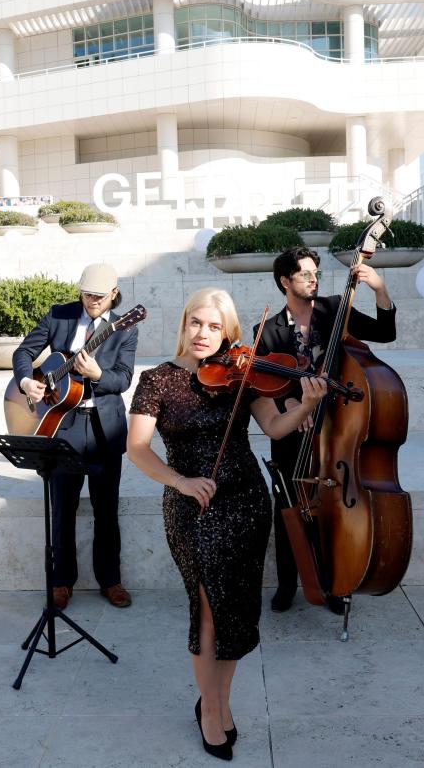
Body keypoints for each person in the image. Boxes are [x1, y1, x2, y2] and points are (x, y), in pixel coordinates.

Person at [127, 287, 326, 760]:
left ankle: (219, 701)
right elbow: (137, 449)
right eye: (197, 322)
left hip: (244, 502)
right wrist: (180, 480)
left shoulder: (242, 376)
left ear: (229, 333)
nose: (204, 333)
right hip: (190, 506)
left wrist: (306, 405)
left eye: (215, 326)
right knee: (208, 609)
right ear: (183, 324)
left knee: (235, 610)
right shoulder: (156, 380)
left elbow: (276, 427)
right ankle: (211, 712)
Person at [254, 246, 396, 613]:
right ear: (285, 281)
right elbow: (267, 383)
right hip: (294, 430)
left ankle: (333, 584)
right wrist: (290, 405)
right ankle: (288, 584)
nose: (313, 278)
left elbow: (384, 332)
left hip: (340, 429)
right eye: (304, 274)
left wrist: (379, 290)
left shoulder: (335, 309)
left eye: (315, 272)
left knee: (332, 509)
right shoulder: (266, 331)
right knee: (288, 506)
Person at [13, 263, 139, 610]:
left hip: (103, 427)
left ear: (114, 293)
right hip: (61, 424)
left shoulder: (125, 327)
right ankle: (60, 582)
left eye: (99, 296)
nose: (92, 301)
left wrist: (97, 373)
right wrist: (27, 381)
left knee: (106, 509)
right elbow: (24, 352)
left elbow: (123, 379)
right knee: (62, 508)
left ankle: (110, 580)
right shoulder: (59, 316)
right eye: (87, 294)